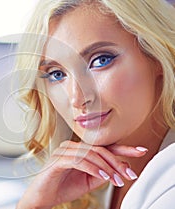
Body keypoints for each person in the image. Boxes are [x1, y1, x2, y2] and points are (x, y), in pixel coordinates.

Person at [14, 0, 175, 208]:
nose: (76, 98)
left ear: (156, 54)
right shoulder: (94, 179)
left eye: (100, 60)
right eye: (56, 74)